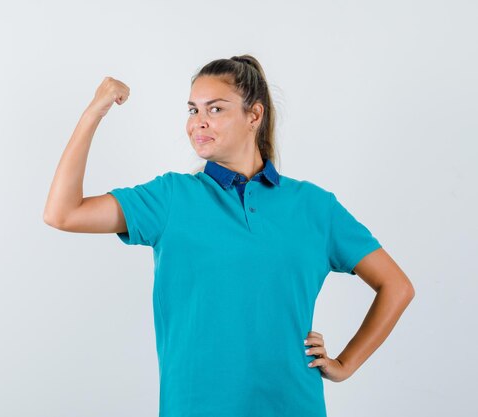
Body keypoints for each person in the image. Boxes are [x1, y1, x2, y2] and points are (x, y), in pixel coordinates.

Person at [43, 54, 415, 417]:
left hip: (294, 405)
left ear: (254, 115)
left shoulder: (314, 206)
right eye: (193, 110)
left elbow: (396, 286)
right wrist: (95, 111)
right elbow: (63, 213)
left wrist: (345, 364)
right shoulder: (170, 198)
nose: (198, 123)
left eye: (215, 109)